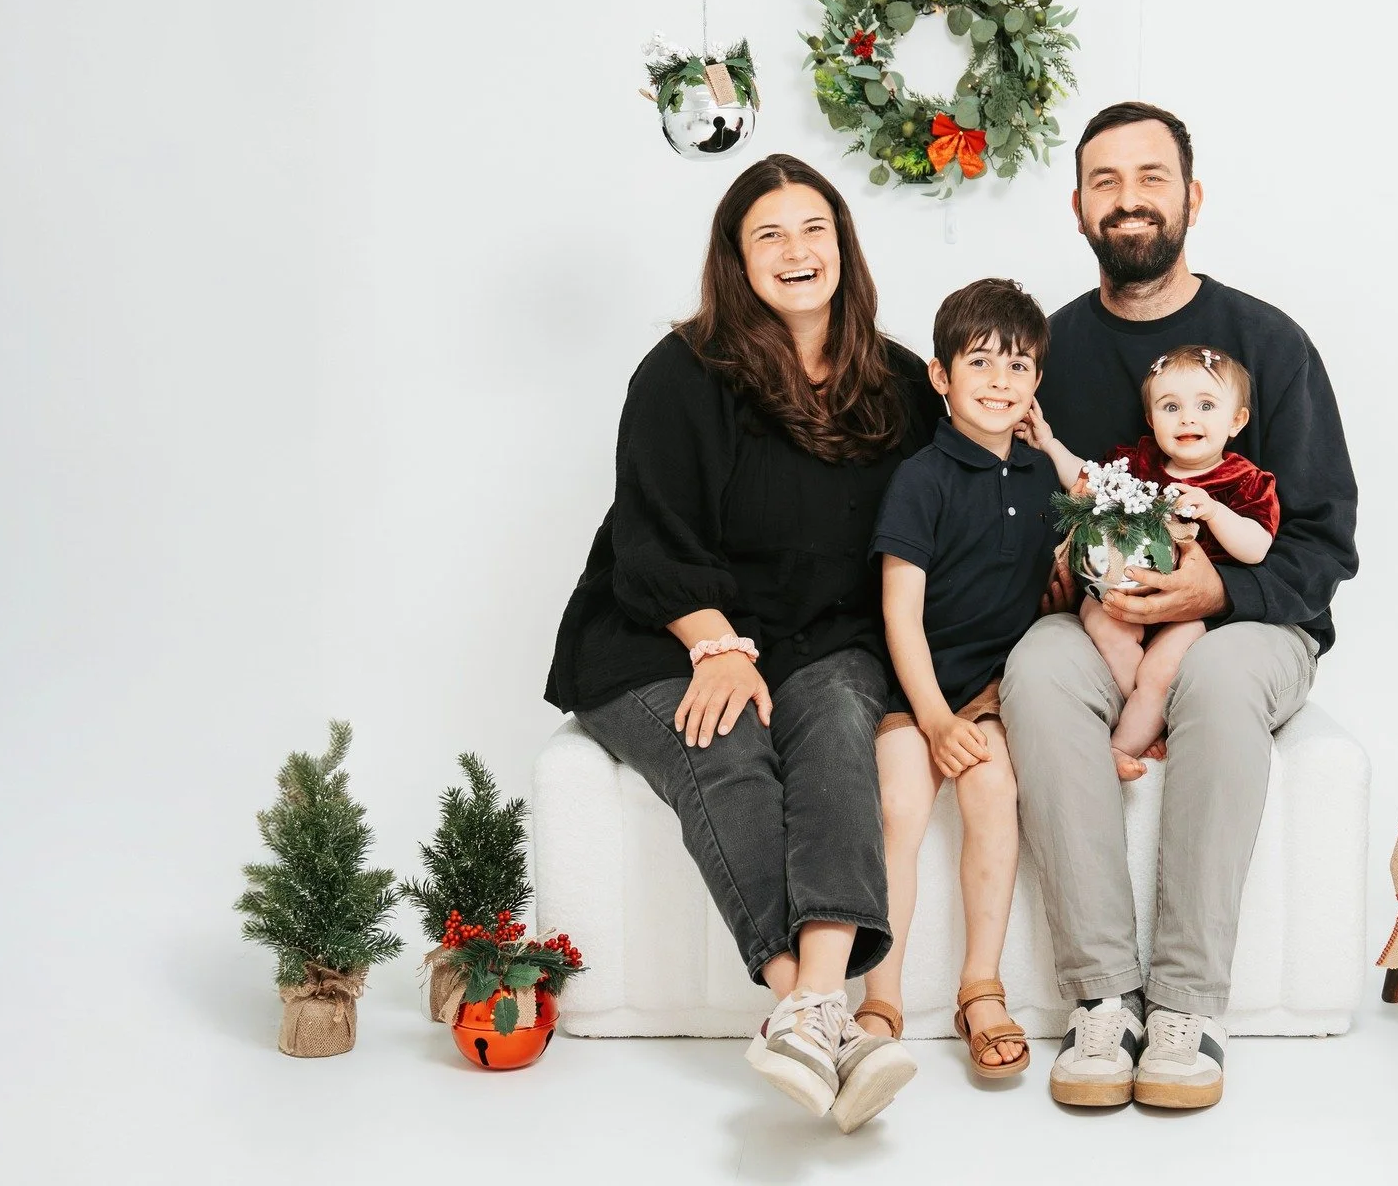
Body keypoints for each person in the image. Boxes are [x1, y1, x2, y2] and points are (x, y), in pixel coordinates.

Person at [543, 154, 938, 1132]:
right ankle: (808, 1007)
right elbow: (649, 536)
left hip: (824, 637)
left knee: (841, 724)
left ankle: (809, 1017)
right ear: (735, 257)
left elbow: (939, 523)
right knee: (724, 741)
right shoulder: (681, 372)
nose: (795, 251)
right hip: (661, 633)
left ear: (842, 244)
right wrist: (714, 644)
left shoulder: (895, 383)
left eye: (814, 229)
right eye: (768, 234)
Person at [1000, 102, 1359, 1111]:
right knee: (1033, 670)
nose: (1127, 200)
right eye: (1104, 182)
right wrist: (1068, 571)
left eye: (1149, 178)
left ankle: (1187, 1008)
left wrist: (1218, 589)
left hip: (1247, 624)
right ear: (1077, 208)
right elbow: (1022, 515)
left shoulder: (1267, 347)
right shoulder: (1051, 351)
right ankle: (1102, 1000)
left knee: (1217, 669)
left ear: (1189, 197)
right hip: (1102, 618)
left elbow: (1322, 543)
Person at [854, 279, 1054, 1079]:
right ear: (940, 376)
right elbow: (900, 614)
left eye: (1020, 365)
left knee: (992, 795)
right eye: (981, 362)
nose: (1001, 381)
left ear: (1038, 383)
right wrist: (934, 718)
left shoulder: (1042, 478)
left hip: (991, 693)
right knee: (900, 805)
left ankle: (981, 988)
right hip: (915, 690)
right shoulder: (921, 477)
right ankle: (881, 999)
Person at [1021, 344, 1279, 780]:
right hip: (1121, 591)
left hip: (1188, 611)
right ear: (1151, 418)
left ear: (1236, 420)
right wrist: (1048, 443)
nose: (1187, 418)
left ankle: (1120, 746)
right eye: (1170, 406)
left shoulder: (1244, 481)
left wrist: (1215, 512)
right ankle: (1148, 717)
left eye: (1206, 405)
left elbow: (1257, 548)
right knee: (1102, 625)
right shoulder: (1139, 464)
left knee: (1161, 671)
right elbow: (1087, 480)